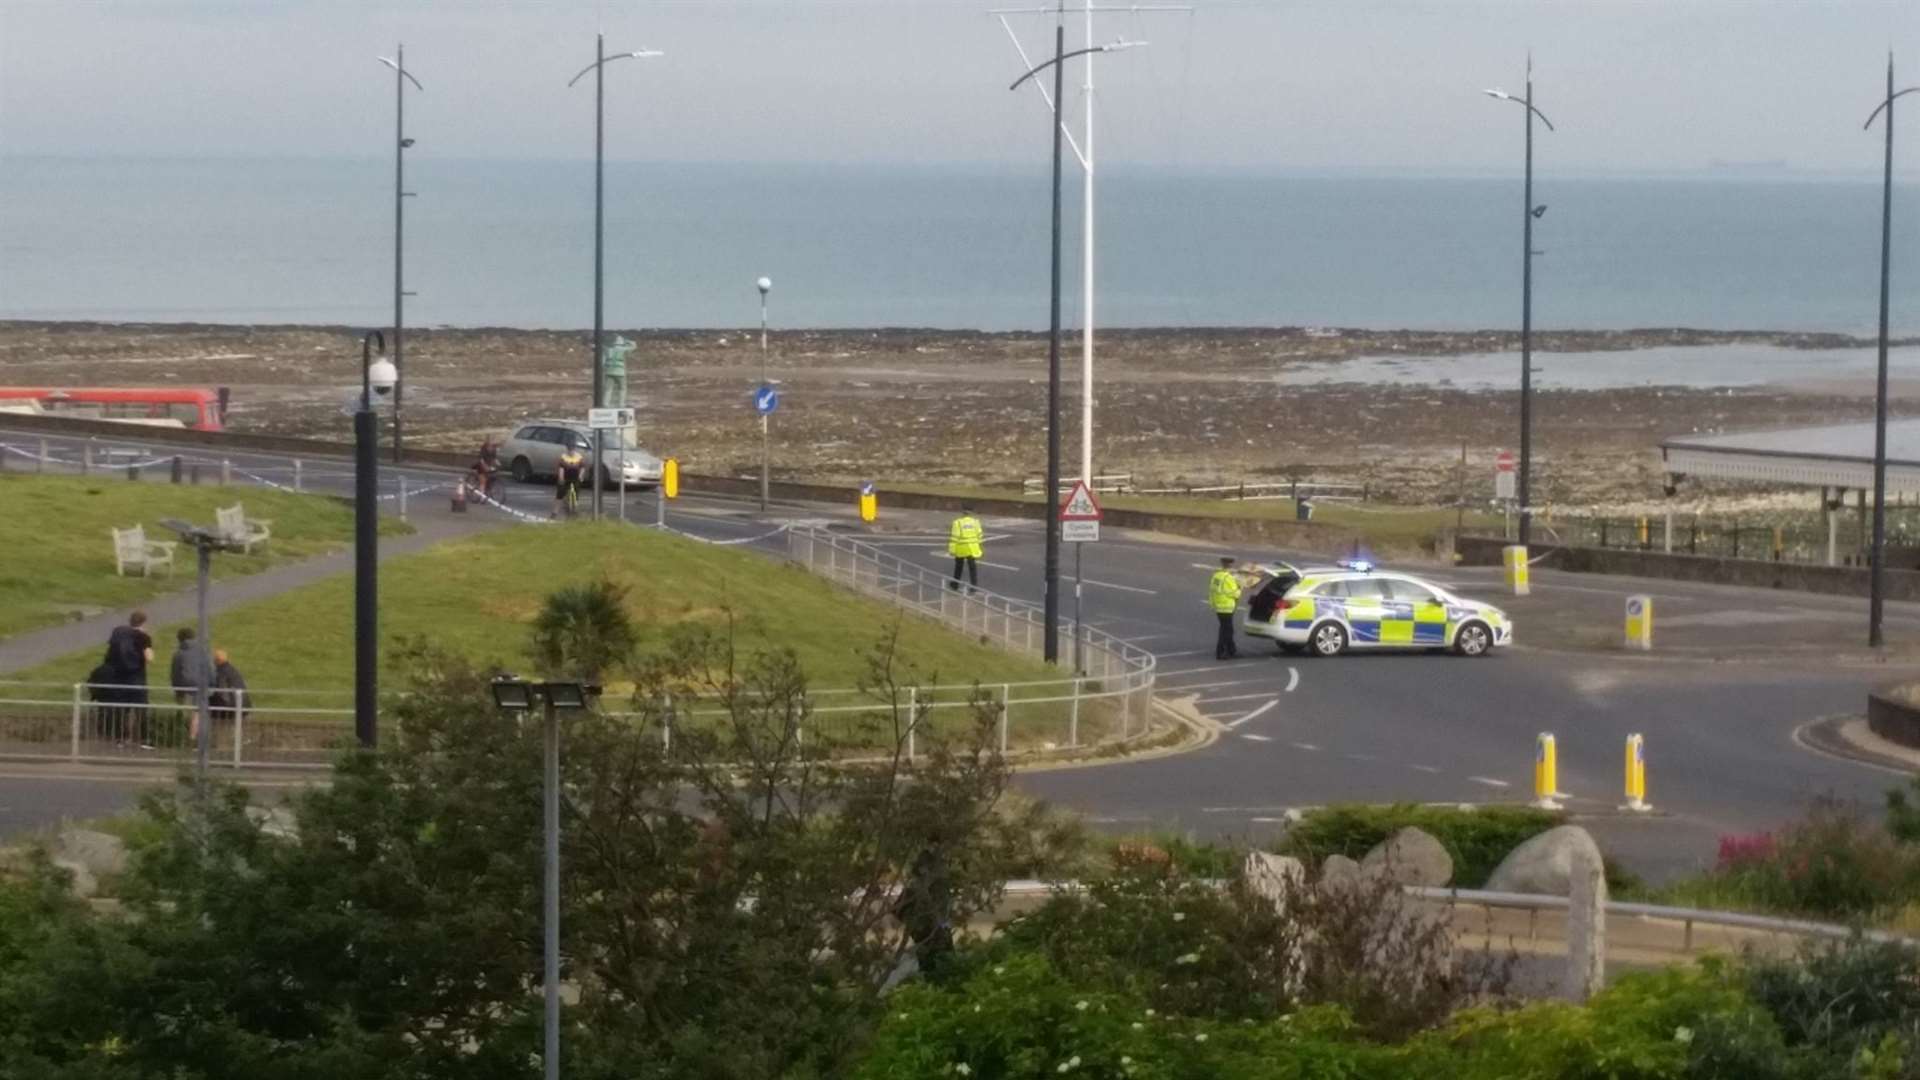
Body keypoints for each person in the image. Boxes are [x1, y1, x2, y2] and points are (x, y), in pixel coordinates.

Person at [102, 610, 155, 749]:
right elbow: (149, 658)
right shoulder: (143, 637)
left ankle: (121, 739)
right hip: (137, 678)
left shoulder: (118, 634)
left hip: (119, 677)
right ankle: (144, 740)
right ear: (144, 623)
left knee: (122, 709)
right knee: (141, 709)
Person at [169, 627, 204, 744]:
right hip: (198, 685)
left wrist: (175, 687)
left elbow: (174, 672)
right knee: (196, 713)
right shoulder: (202, 651)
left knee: (182, 710)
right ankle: (192, 738)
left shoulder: (178, 654)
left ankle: (180, 736)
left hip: (181, 686)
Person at [1210, 557, 1245, 661]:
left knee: (1227, 629)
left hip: (1218, 606)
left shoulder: (1216, 576)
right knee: (1226, 631)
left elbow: (1212, 590)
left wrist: (1213, 603)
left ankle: (1231, 650)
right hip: (1227, 607)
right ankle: (1220, 653)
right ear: (1230, 565)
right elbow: (1235, 594)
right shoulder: (1228, 578)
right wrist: (1240, 587)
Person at [209, 649, 249, 729]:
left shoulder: (220, 673)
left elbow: (221, 693)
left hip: (230, 708)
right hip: (244, 706)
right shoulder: (233, 670)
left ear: (216, 661)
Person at [947, 505, 984, 591]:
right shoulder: (975, 522)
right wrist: (977, 544)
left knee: (958, 568)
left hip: (961, 549)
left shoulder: (958, 523)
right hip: (972, 548)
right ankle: (974, 587)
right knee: (972, 568)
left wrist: (952, 550)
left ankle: (955, 584)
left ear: (963, 512)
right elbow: (980, 535)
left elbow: (954, 537)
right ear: (972, 512)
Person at [554, 444, 587, 518]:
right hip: (566, 477)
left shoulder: (579, 457)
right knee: (560, 494)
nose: (571, 452)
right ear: (567, 450)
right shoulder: (563, 457)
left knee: (576, 492)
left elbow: (582, 468)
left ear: (574, 449)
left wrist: (580, 476)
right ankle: (555, 512)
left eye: (572, 450)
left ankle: (575, 510)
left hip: (575, 477)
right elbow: (561, 469)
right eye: (569, 450)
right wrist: (561, 478)